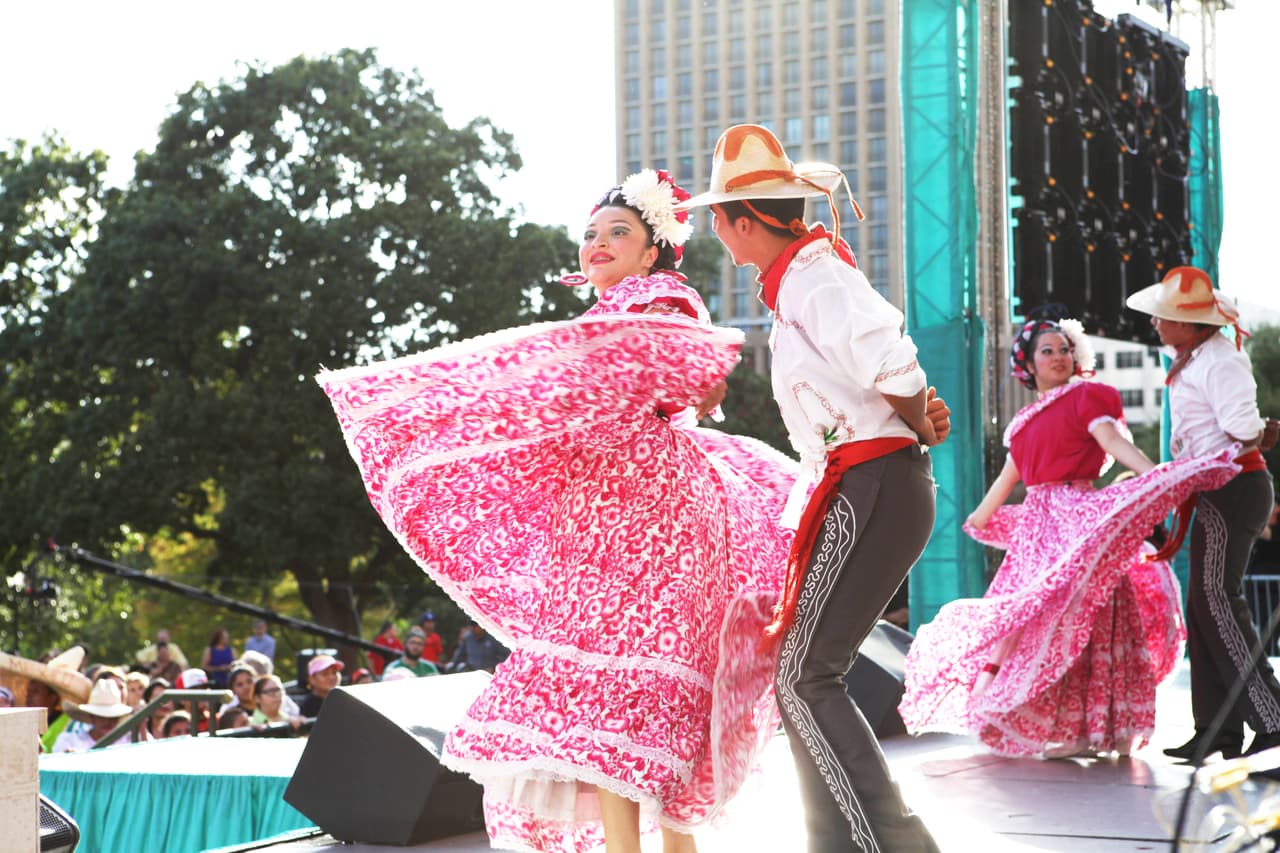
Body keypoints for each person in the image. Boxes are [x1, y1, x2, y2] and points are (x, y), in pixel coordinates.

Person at [318, 168, 803, 853]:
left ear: (652, 250)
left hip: (646, 507)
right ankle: (665, 848)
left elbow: (693, 378)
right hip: (606, 507)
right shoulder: (608, 317)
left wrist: (669, 374)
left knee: (626, 681)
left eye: (617, 232)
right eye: (590, 233)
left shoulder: (657, 300)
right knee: (632, 685)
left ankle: (648, 849)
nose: (597, 243)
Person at [676, 124, 955, 853]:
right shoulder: (798, 280)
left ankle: (891, 845)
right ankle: (841, 842)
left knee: (805, 676)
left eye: (718, 217)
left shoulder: (813, 277)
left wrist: (917, 420)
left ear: (743, 220)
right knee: (802, 676)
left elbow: (893, 365)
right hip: (862, 483)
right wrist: (914, 418)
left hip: (872, 483)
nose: (715, 230)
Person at [898, 313, 1238, 759]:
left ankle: (1103, 728)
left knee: (1092, 617)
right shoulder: (1022, 424)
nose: (1059, 357)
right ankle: (1075, 729)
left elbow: (1112, 443)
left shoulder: (1087, 396)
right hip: (1040, 535)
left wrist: (1157, 478)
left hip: (1078, 523)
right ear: (1028, 363)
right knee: (1038, 621)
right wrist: (978, 519)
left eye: (1065, 349)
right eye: (1048, 350)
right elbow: (1009, 479)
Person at [1125, 267, 1280, 761]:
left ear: (1189, 324)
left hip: (1231, 486)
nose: (1155, 323)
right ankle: (1217, 729)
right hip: (1220, 489)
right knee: (1204, 605)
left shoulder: (1219, 360)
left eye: (1163, 316)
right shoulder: (1199, 358)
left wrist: (1253, 432)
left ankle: (1273, 720)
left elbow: (1242, 428)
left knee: (1217, 601)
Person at [52, 679, 135, 752]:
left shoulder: (129, 742)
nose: (108, 722)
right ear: (92, 716)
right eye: (101, 717)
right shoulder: (70, 741)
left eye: (113, 717)